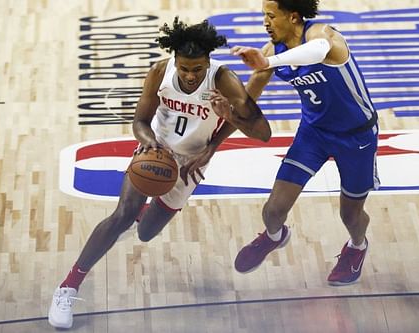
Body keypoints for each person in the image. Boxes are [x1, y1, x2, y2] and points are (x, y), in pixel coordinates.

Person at [48, 17, 271, 329]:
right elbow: (140, 121)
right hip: (155, 152)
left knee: (146, 232)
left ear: (208, 61)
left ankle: (141, 217)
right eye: (184, 68)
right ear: (175, 61)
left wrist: (222, 128)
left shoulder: (224, 80)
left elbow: (262, 133)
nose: (191, 75)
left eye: (197, 68)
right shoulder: (159, 72)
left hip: (193, 161)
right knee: (122, 215)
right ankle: (68, 286)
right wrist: (150, 144)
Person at [231, 0, 379, 286]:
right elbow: (245, 103)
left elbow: (318, 50)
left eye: (271, 16)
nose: (265, 22)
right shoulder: (271, 51)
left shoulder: (324, 36)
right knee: (272, 211)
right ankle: (275, 236)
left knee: (350, 214)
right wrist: (217, 132)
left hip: (356, 135)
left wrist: (270, 63)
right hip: (314, 133)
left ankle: (357, 247)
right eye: (264, 16)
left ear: (293, 16)